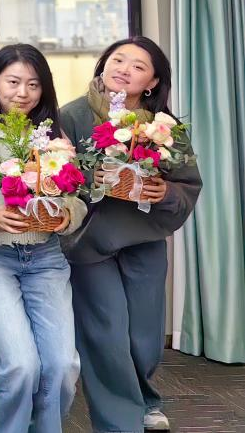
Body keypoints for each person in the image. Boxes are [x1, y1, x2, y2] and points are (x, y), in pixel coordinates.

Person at [59, 37, 201, 433]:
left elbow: (188, 184)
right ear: (103, 64)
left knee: (144, 335)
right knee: (106, 334)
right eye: (118, 59)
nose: (124, 69)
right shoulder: (71, 115)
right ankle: (120, 422)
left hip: (144, 240)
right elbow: (55, 177)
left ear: (152, 82)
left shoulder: (165, 127)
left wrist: (165, 192)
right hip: (90, 244)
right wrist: (90, 177)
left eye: (138, 66)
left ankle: (145, 399)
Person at [0, 44, 84, 433]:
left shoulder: (52, 135)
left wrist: (65, 216)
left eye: (33, 84)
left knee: (62, 366)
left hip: (46, 257)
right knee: (21, 364)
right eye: (13, 82)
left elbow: (76, 197)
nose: (23, 93)